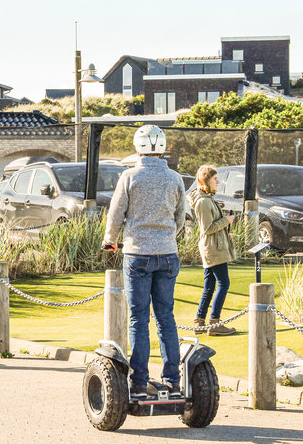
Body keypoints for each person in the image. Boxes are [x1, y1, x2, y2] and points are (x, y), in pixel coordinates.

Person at [102, 125, 186, 397]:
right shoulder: (175, 178)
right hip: (167, 253)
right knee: (166, 317)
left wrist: (110, 240)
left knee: (139, 319)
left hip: (137, 254)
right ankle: (172, 379)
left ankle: (139, 381)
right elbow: (181, 218)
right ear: (163, 148)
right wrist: (168, 236)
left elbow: (116, 214)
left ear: (138, 148)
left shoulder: (129, 176)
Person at [188, 165, 238, 336]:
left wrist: (226, 232)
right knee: (224, 284)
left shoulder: (207, 198)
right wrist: (226, 220)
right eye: (215, 179)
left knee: (209, 285)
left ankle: (199, 322)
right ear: (206, 181)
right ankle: (214, 323)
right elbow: (207, 229)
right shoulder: (203, 202)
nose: (218, 182)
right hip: (213, 249)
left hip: (214, 246)